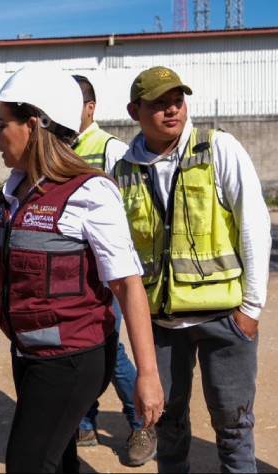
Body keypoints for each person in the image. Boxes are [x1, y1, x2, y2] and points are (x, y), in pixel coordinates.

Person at [0, 64, 164, 473]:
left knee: (27, 463)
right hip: (28, 353)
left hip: (73, 359)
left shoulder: (90, 193)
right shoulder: (11, 194)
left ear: (34, 124)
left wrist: (147, 375)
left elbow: (128, 285)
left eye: (1, 123)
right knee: (57, 460)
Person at [111, 66, 272, 473]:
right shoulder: (124, 171)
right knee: (167, 425)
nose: (172, 111)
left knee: (234, 428)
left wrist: (250, 310)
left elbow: (254, 226)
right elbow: (118, 253)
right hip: (161, 326)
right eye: (159, 104)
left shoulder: (219, 149)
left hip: (224, 320)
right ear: (135, 111)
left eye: (177, 101)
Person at [71, 74, 157, 466]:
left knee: (109, 350)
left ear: (90, 107)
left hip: (106, 273)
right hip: (73, 274)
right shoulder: (61, 146)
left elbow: (129, 213)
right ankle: (85, 421)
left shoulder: (110, 150)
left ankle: (141, 421)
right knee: (84, 345)